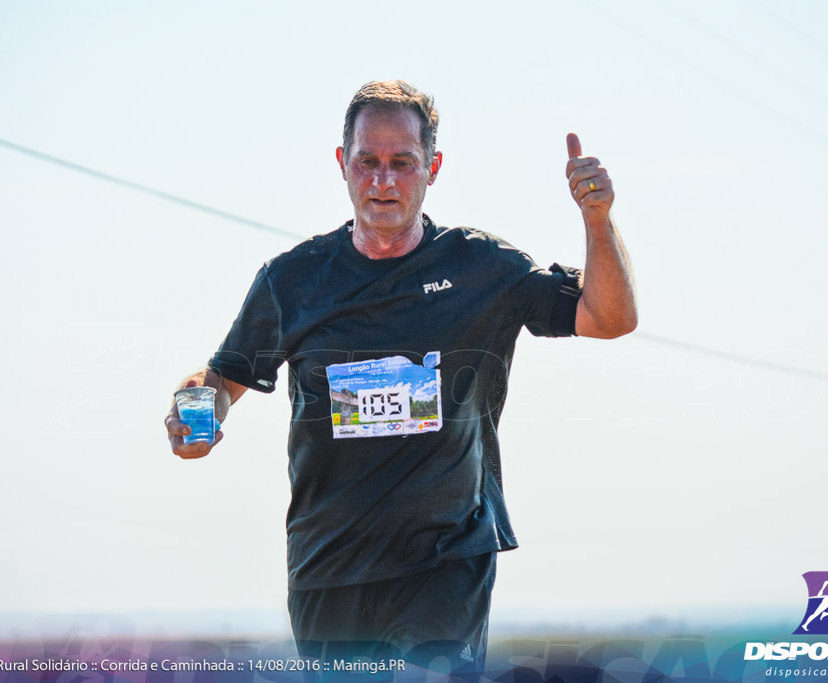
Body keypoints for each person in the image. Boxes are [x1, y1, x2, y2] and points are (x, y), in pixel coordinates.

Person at [164, 80, 637, 676]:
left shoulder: (481, 267)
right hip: (328, 567)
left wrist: (597, 219)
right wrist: (194, 409)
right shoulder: (294, 281)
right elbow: (222, 377)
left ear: (432, 168)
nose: (383, 182)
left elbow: (610, 317)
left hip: (446, 558)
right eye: (367, 162)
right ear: (343, 164)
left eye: (402, 164)